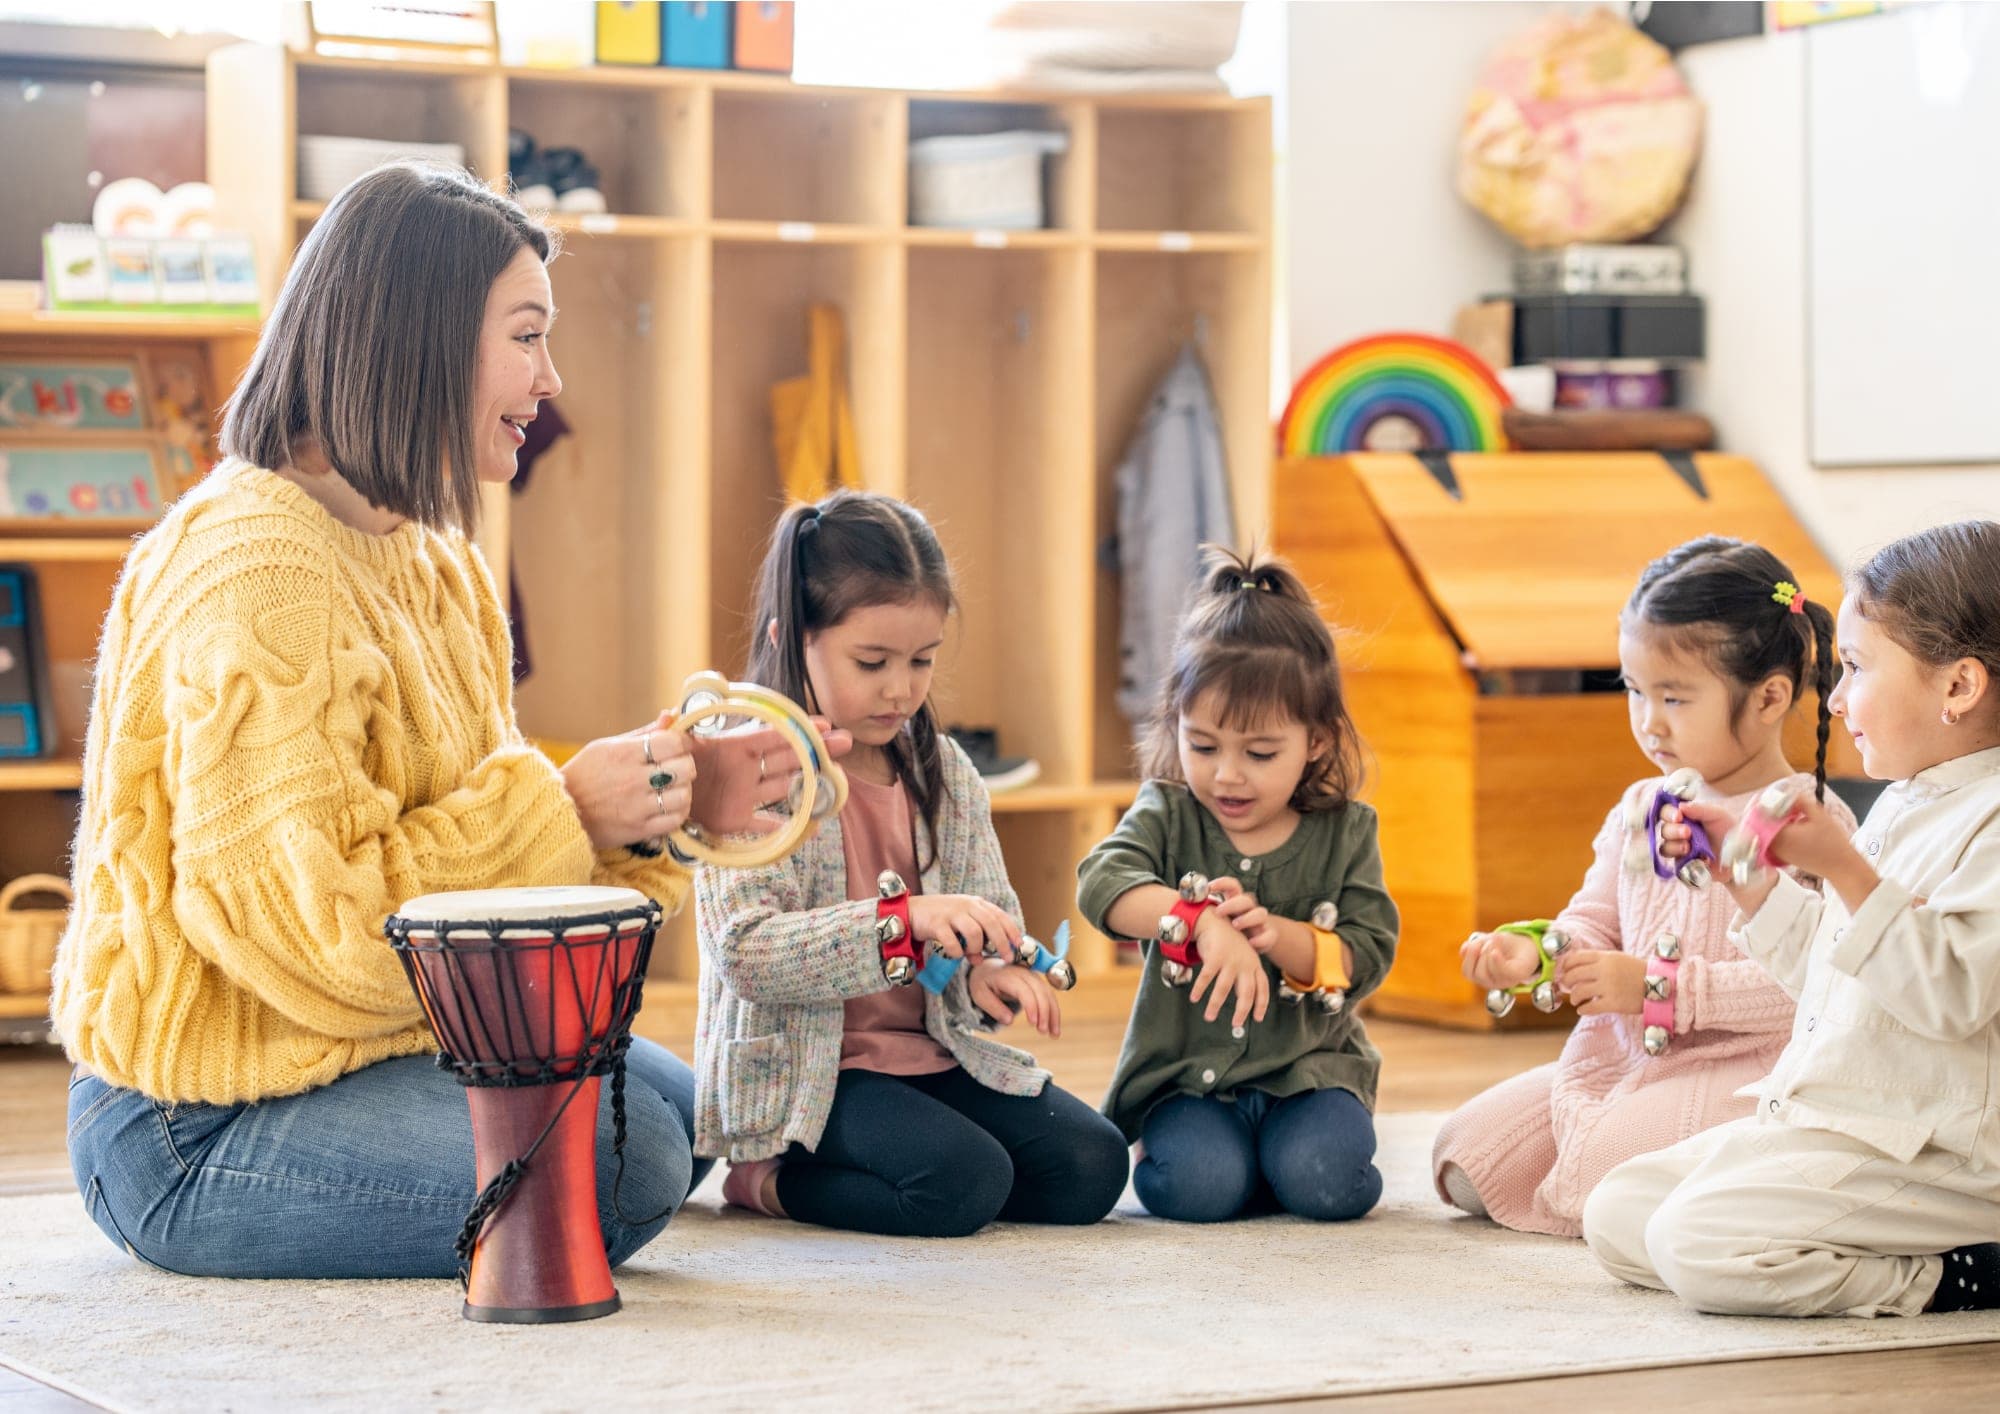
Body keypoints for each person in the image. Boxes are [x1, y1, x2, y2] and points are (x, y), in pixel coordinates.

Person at [54, 163, 822, 1278]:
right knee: (630, 1157)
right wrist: (565, 807)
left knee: (682, 1108)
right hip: (192, 1116)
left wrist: (653, 803)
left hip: (354, 1047)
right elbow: (316, 939)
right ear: (416, 338)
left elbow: (475, 862)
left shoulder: (433, 556)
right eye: (524, 336)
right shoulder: (253, 568)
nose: (549, 379)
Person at [1584, 520, 2000, 1317]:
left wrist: (1842, 866)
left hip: (1936, 1150)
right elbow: (1835, 974)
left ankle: (1955, 1275)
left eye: (1855, 668)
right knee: (1619, 1211)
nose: (1837, 698)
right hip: (1838, 1120)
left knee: (1697, 1245)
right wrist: (1749, 881)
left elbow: (1948, 996)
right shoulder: (1909, 800)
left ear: (1958, 688)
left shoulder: (1988, 819)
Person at [695, 490, 1129, 1237]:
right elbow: (747, 954)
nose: (901, 688)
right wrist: (902, 922)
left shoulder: (945, 772)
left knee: (1093, 1167)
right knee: (962, 1183)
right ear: (792, 637)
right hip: (813, 1075)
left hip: (931, 1054)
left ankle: (925, 1169)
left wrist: (992, 972)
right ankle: (767, 1181)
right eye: (872, 662)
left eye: (922, 660)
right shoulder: (753, 767)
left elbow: (987, 913)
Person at [1433, 537, 1854, 1236]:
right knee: (1464, 1157)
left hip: (1748, 1068)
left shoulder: (1809, 822)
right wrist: (1537, 951)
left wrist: (1660, 989)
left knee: (1601, 1166)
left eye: (1675, 697)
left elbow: (1813, 983)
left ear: (1769, 697)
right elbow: (1593, 921)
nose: (1647, 721)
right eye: (1634, 691)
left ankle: (1678, 1183)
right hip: (1624, 1056)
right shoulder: (1640, 806)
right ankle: (1620, 1166)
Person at [1078, 548, 1396, 1223]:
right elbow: (1102, 882)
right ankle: (1242, 1168)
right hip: (1191, 1086)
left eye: (1259, 754)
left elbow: (1367, 954)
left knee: (1329, 1184)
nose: (1227, 776)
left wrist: (1281, 938)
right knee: (1195, 1190)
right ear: (1176, 727)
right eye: (1203, 745)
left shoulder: (1346, 831)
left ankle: (1275, 1165)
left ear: (1316, 741)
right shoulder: (1167, 812)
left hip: (1312, 1075)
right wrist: (1198, 921)